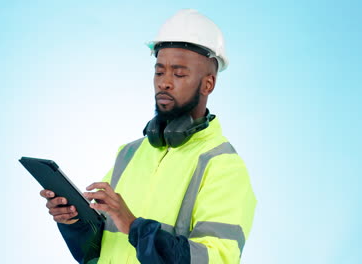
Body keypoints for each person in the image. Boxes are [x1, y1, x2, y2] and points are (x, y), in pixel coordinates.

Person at [40, 9, 256, 263]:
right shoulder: (129, 154)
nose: (164, 82)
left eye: (179, 74)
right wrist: (75, 222)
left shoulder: (223, 166)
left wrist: (134, 227)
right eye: (159, 71)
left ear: (208, 84)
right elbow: (100, 250)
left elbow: (215, 259)